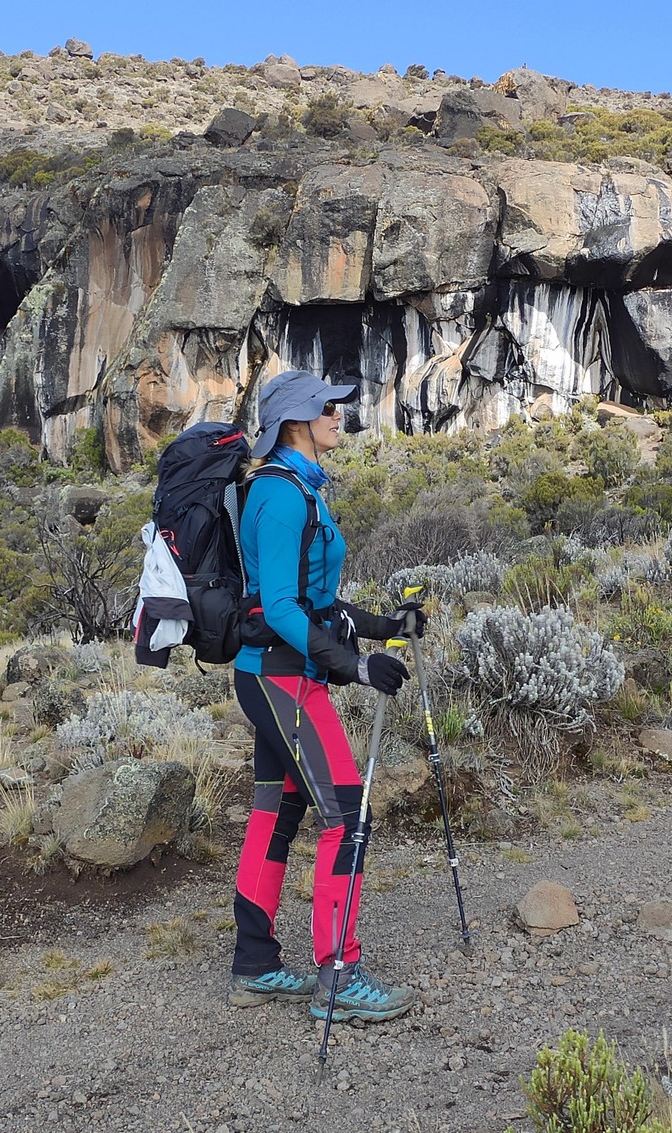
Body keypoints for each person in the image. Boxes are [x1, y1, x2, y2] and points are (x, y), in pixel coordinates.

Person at [228, 369, 425, 1023]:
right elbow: (283, 608)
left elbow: (319, 602)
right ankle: (338, 974)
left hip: (280, 674)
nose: (340, 414)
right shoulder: (283, 498)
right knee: (348, 815)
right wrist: (357, 667)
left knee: (276, 814)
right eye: (328, 407)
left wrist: (385, 627)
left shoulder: (300, 487)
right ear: (295, 421)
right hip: (281, 680)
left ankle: (255, 964)